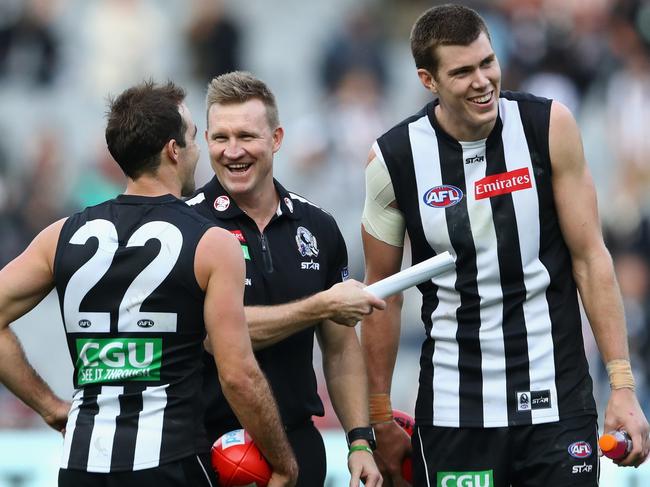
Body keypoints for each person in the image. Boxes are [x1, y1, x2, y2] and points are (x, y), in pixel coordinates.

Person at [360, 4, 650, 487]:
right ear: (427, 80)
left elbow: (591, 259)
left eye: (487, 62)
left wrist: (621, 385)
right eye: (462, 71)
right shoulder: (392, 159)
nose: (482, 80)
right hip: (457, 407)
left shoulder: (548, 125)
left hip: (557, 397)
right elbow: (382, 296)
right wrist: (378, 415)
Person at [0, 80, 297, 487]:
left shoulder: (60, 236)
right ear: (173, 150)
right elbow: (238, 375)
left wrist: (49, 406)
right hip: (169, 463)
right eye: (193, 138)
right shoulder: (213, 244)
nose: (197, 151)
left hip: (81, 466)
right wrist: (284, 463)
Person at [186, 71, 384, 487]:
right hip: (204, 449)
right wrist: (320, 305)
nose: (232, 151)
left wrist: (360, 442)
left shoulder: (318, 226)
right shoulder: (185, 227)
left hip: (299, 444)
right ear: (205, 141)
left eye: (246, 136)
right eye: (220, 138)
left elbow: (340, 346)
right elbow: (213, 336)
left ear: (276, 139)